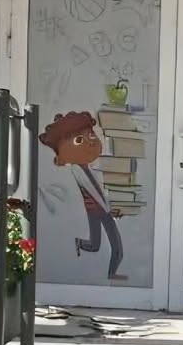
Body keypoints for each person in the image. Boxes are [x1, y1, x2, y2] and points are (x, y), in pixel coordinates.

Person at [40, 110, 127, 282]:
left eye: (91, 135)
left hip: (99, 210)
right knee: (97, 245)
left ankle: (111, 273)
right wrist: (109, 210)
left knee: (112, 245)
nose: (89, 142)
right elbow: (94, 193)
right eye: (79, 140)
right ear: (61, 158)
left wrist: (111, 208)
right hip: (96, 211)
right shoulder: (77, 170)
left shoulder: (92, 168)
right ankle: (80, 244)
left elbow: (101, 191)